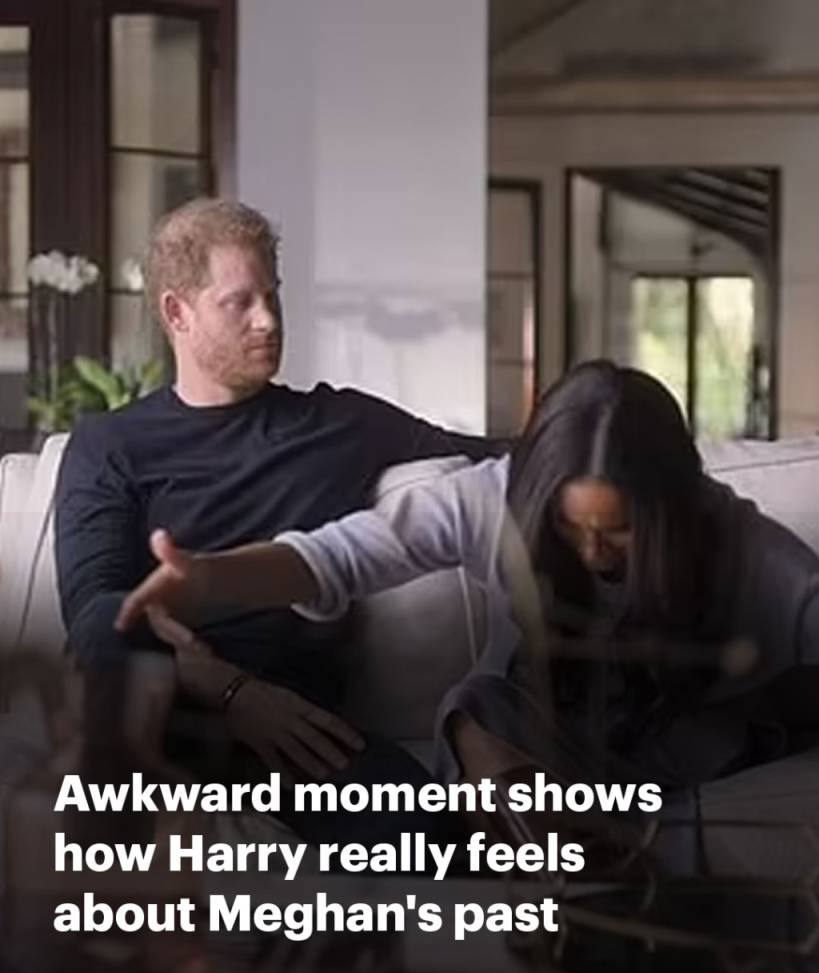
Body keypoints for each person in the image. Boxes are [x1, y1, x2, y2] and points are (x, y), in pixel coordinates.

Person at [116, 360, 819, 862]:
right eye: (570, 527)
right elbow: (334, 557)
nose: (591, 551)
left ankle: (619, 874)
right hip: (544, 748)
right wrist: (209, 576)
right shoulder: (491, 498)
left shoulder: (737, 542)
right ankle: (561, 876)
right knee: (475, 705)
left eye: (620, 532)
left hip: (689, 741)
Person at [55, 197, 498, 849]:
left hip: (299, 734)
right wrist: (233, 693)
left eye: (273, 296)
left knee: (427, 833)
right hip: (164, 713)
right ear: (177, 312)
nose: (267, 320)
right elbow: (98, 613)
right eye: (239, 302)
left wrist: (614, 437)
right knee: (105, 623)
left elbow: (510, 459)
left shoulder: (340, 424)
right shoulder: (110, 444)